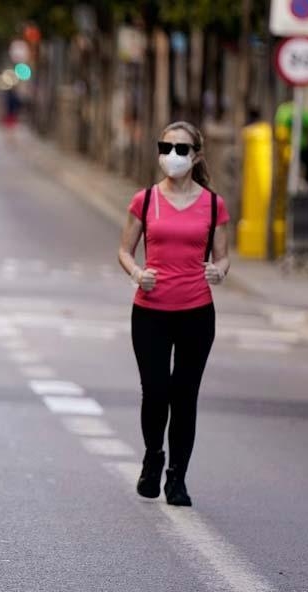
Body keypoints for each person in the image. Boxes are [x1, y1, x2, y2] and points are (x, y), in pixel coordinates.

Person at [118, 121, 229, 508]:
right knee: (155, 391)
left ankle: (177, 478)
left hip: (197, 312)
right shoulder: (145, 200)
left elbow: (222, 256)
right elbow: (124, 250)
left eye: (182, 149)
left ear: (196, 156)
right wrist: (136, 273)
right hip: (150, 312)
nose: (173, 156)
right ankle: (153, 458)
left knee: (185, 396)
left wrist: (220, 270)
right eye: (166, 147)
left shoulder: (213, 204)